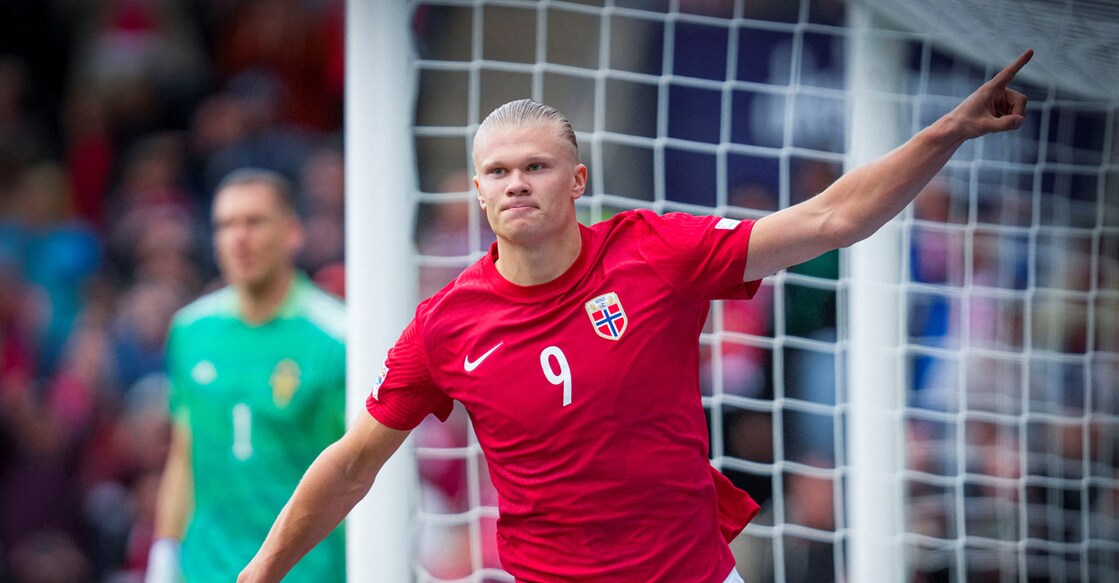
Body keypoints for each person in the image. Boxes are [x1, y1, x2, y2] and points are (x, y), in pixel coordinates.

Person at [238, 50, 1034, 582]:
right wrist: (257, 574)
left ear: (577, 177)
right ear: (476, 191)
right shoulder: (444, 325)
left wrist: (944, 133)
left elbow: (830, 220)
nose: (516, 183)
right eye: (497, 171)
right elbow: (351, 464)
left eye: (536, 166)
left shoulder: (655, 250)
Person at [146, 169, 347, 583]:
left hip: (307, 572)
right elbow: (184, 455)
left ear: (292, 233)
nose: (239, 238)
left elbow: (357, 468)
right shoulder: (190, 330)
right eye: (225, 225)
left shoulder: (337, 337)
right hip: (205, 569)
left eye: (254, 222)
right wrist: (164, 554)